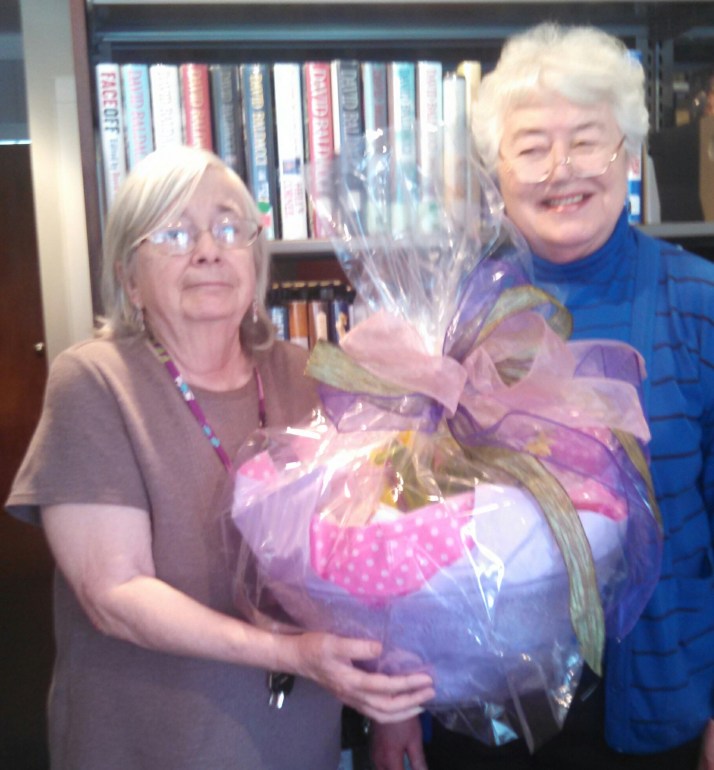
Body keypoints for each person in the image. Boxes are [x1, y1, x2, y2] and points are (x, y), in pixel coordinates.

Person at [5, 145, 435, 770]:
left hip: (297, 743)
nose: (209, 248)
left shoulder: (307, 375)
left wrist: (393, 712)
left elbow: (374, 553)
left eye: (231, 228)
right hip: (153, 744)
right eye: (175, 233)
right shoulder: (95, 383)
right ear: (128, 275)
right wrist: (290, 654)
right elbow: (114, 593)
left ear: (255, 259)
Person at [369, 22, 714, 770]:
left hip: (659, 697)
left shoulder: (699, 301)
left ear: (626, 153)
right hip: (482, 709)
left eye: (588, 140)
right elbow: (395, 527)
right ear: (498, 172)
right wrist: (394, 708)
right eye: (531, 147)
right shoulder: (449, 313)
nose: (562, 169)